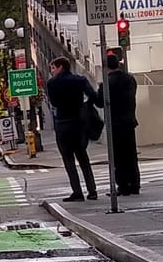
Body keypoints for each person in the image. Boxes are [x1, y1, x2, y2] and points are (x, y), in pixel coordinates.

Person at [44, 56, 100, 201]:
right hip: (79, 123)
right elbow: (93, 96)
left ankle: (77, 191)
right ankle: (92, 190)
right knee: (83, 156)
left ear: (61, 67)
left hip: (63, 123)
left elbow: (54, 102)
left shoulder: (52, 83)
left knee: (68, 159)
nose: (52, 71)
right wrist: (85, 106)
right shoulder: (80, 80)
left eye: (53, 68)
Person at [103, 49, 139, 195]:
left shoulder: (108, 82)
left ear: (106, 67)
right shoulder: (130, 79)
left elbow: (101, 101)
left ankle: (123, 185)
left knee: (118, 156)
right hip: (129, 120)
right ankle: (135, 184)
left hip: (115, 123)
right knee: (131, 154)